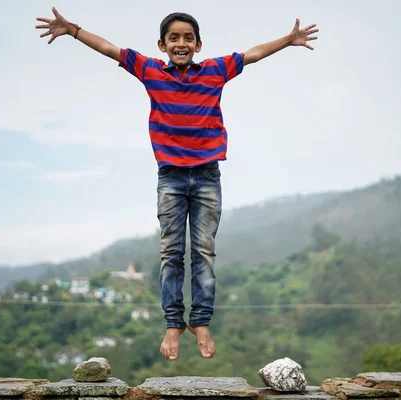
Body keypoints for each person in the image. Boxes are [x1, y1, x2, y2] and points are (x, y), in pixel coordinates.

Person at [36, 7, 318, 361]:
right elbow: (109, 48)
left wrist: (288, 40)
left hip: (207, 177)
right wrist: (72, 30)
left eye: (188, 38)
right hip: (170, 177)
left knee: (203, 252)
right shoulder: (150, 70)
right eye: (174, 38)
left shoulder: (216, 70)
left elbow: (254, 53)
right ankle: (173, 324)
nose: (181, 43)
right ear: (162, 44)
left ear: (198, 44)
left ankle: (201, 322)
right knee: (171, 254)